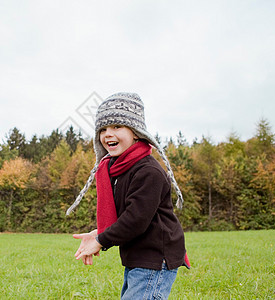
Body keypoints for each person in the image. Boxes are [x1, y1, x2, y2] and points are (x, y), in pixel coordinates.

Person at [66, 92, 190, 299]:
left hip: (155, 258)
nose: (108, 134)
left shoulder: (148, 171)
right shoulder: (120, 171)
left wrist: (100, 240)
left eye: (117, 127)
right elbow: (129, 214)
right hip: (139, 257)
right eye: (103, 129)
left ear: (135, 132)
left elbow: (136, 220)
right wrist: (100, 232)